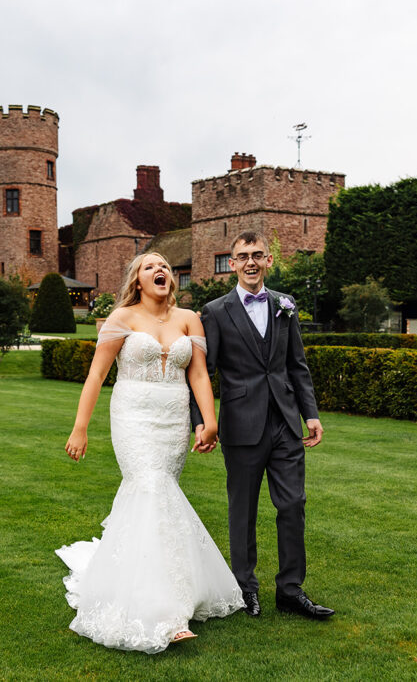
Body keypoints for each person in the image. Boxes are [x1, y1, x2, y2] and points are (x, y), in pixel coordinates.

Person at [56, 252, 243, 653]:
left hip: (173, 419)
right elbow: (97, 374)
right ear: (137, 280)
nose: (160, 270)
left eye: (164, 266)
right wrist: (80, 427)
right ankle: (165, 612)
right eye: (149, 266)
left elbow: (197, 373)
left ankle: (142, 579)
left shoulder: (189, 319)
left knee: (156, 496)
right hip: (133, 416)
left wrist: (210, 421)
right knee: (151, 487)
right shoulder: (122, 319)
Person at [190, 231, 334, 620]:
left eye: (258, 255)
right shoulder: (215, 311)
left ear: (270, 260)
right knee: (243, 510)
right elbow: (204, 371)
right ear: (232, 265)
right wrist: (202, 422)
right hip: (241, 425)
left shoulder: (286, 304)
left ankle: (290, 589)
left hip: (286, 424)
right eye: (242, 256)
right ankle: (244, 588)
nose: (251, 262)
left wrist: (311, 414)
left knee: (293, 505)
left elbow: (296, 365)